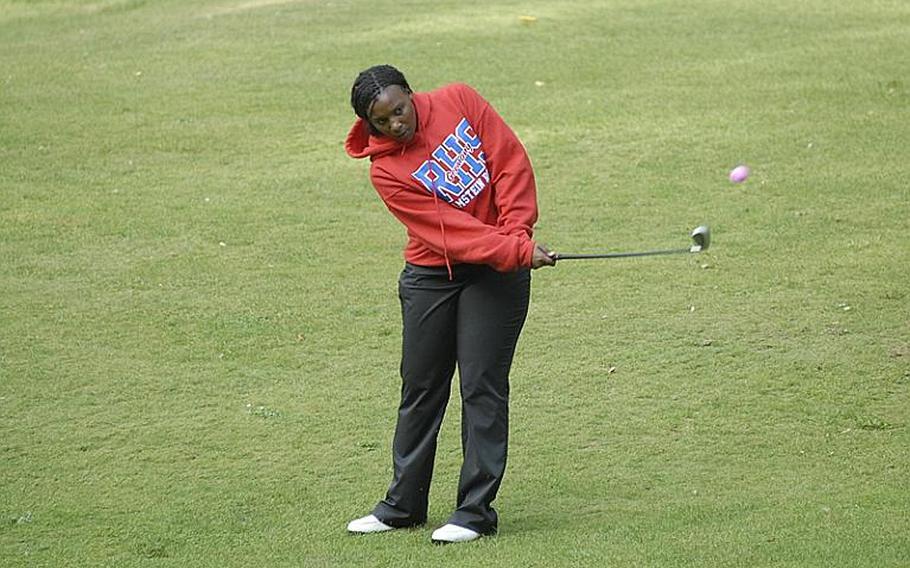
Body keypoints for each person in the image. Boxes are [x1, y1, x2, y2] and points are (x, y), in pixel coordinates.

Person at [343, 64, 555, 544]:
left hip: (497, 271)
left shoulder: (460, 99)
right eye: (383, 121)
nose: (397, 124)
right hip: (432, 275)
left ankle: (474, 513)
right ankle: (402, 506)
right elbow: (449, 233)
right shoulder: (386, 172)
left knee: (482, 386)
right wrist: (518, 250)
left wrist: (517, 237)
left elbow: (509, 162)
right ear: (369, 125)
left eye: (400, 110)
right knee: (421, 387)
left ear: (411, 94)